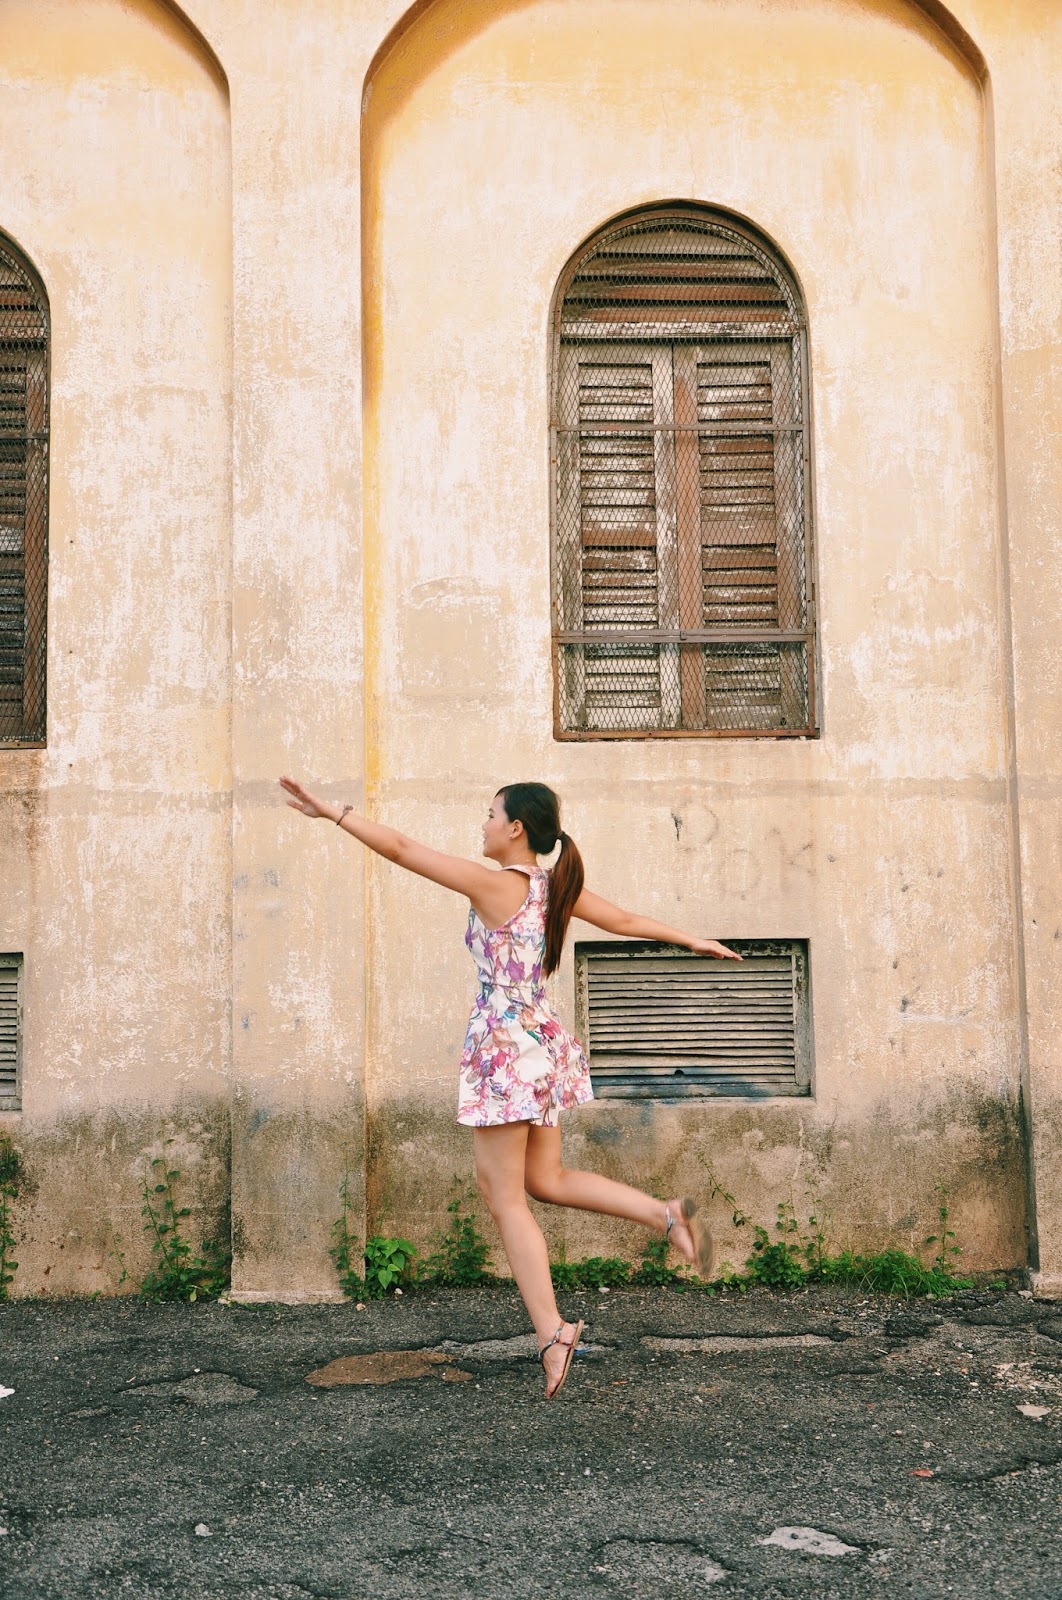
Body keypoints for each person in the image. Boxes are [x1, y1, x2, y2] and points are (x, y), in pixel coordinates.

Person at [279, 776, 740, 1399]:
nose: (484, 822)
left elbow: (402, 849)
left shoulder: (497, 885)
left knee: (505, 1199)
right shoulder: (556, 889)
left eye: (491, 813)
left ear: (516, 828)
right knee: (544, 1181)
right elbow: (626, 920)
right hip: (542, 1042)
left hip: (506, 1050)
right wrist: (691, 940)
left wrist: (335, 814)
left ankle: (553, 1333)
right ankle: (666, 1213)